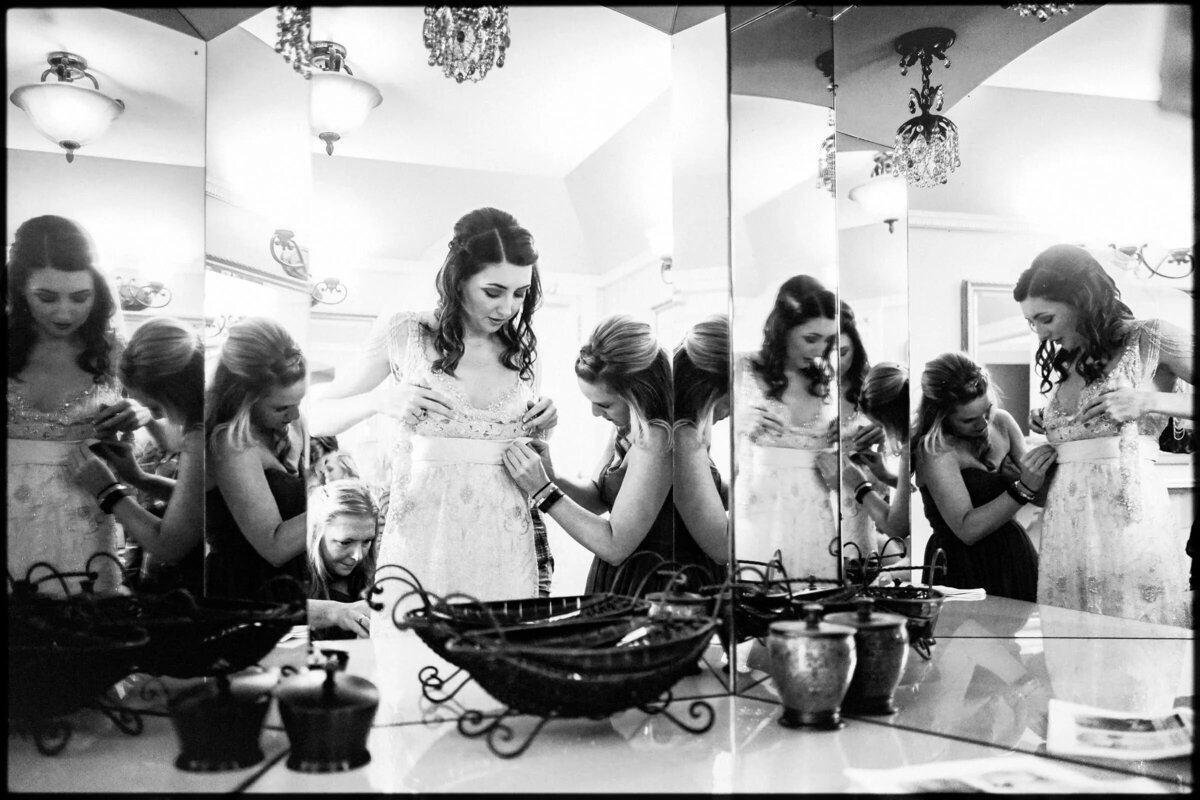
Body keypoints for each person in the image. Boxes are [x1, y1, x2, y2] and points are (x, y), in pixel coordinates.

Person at [307, 208, 557, 610]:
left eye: (520, 293)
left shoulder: (524, 352)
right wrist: (381, 401)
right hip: (420, 549)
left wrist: (547, 422)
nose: (508, 307)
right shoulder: (405, 334)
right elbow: (315, 417)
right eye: (493, 291)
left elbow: (526, 451)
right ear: (458, 280)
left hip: (505, 547)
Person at [1014, 244, 1194, 626]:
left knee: (1130, 640)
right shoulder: (1069, 361)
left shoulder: (1150, 337)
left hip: (1129, 519)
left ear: (1080, 300)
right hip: (1068, 524)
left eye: (1046, 318)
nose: (1041, 333)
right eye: (1032, 323)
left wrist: (1147, 401)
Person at [6, 215, 151, 594]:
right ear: (20, 289)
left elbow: (169, 425)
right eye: (47, 297)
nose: (64, 313)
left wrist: (143, 413)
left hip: (84, 507)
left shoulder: (114, 350)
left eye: (80, 297)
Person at [501, 315, 680, 597]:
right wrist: (551, 474)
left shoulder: (658, 440)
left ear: (639, 394)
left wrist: (542, 490)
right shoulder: (626, 428)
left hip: (650, 585)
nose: (596, 414)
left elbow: (614, 546)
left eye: (604, 404)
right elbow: (598, 498)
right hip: (617, 579)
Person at [67, 317, 205, 596]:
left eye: (154, 406)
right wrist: (138, 478)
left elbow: (170, 546)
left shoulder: (199, 437)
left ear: (172, 393)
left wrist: (108, 490)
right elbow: (196, 503)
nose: (153, 414)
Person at [912, 353, 1052, 601]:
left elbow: (1040, 497)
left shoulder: (1003, 422)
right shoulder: (936, 450)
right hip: (960, 566)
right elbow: (967, 530)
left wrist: (1056, 444)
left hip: (1014, 557)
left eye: (987, 411)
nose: (983, 424)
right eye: (968, 419)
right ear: (941, 415)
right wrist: (1022, 489)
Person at [732, 275, 839, 582]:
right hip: (761, 512)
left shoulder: (824, 380)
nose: (821, 349)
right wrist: (738, 424)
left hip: (815, 517)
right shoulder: (742, 369)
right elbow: (702, 440)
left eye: (828, 340)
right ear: (784, 329)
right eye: (811, 338)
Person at [205, 317, 309, 601]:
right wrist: (334, 505)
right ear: (243, 398)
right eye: (281, 407)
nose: (294, 416)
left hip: (288, 585)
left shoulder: (288, 427)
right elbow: (275, 547)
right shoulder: (231, 444)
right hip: (245, 592)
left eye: (299, 402)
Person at [671, 315, 733, 580]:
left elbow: (705, 496)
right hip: (682, 581)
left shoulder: (691, 431)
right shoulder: (684, 440)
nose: (732, 410)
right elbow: (722, 546)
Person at [833, 300, 890, 563]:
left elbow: (901, 444)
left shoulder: (872, 389)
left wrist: (884, 430)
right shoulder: (798, 392)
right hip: (814, 502)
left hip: (859, 505)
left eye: (843, 352)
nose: (835, 363)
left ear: (855, 347)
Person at [837, 362, 912, 543]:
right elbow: (928, 493)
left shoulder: (910, 447)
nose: (883, 435)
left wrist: (860, 487)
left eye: (880, 426)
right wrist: (888, 477)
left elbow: (897, 527)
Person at [306, 479, 378, 640]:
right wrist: (335, 612)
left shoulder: (374, 578)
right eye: (345, 542)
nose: (358, 556)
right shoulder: (292, 578)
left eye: (367, 541)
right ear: (317, 534)